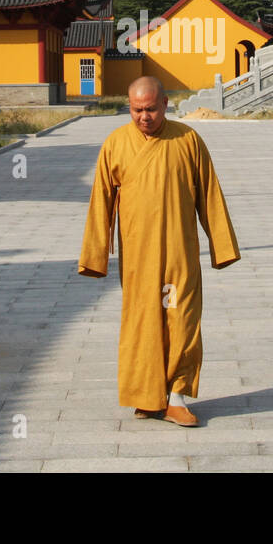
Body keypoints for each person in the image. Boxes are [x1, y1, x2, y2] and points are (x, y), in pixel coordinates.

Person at [78, 75, 240, 427]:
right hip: (138, 257)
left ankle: (177, 396)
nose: (144, 117)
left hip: (181, 252)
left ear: (165, 104)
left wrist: (222, 246)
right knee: (143, 324)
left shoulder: (188, 140)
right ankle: (148, 397)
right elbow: (100, 205)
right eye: (136, 110)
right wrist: (95, 257)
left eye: (151, 109)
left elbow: (209, 194)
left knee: (181, 319)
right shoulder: (116, 144)